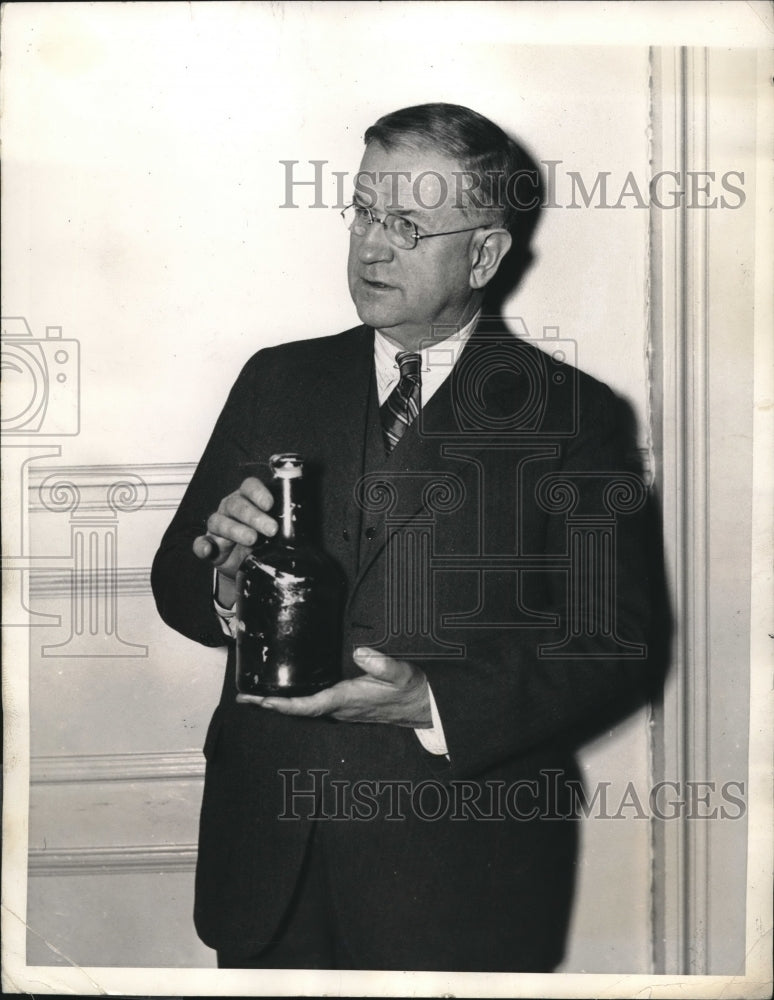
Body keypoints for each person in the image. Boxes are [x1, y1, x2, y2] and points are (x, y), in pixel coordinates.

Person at [151, 102, 653, 972]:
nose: (371, 247)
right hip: (269, 857)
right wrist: (227, 587)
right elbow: (177, 582)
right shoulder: (278, 379)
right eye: (364, 212)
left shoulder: (573, 418)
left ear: (485, 254)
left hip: (460, 876)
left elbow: (616, 648)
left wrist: (433, 701)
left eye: (409, 226)